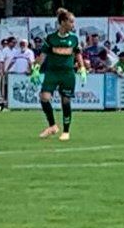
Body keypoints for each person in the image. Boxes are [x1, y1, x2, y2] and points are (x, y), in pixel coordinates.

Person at [33, 8, 85, 141]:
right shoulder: (51, 38)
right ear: (63, 22)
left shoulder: (74, 39)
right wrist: (36, 69)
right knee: (44, 97)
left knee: (65, 101)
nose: (73, 25)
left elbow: (78, 54)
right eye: (71, 22)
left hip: (67, 74)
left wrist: (82, 68)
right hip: (52, 73)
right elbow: (43, 55)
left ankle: (66, 131)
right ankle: (52, 126)